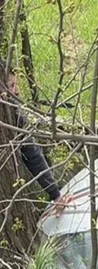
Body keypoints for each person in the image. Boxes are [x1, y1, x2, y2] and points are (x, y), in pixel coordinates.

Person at [1, 60, 65, 212]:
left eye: (16, 84)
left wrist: (56, 195)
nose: (17, 91)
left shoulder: (13, 113)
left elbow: (32, 154)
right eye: (11, 85)